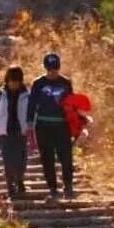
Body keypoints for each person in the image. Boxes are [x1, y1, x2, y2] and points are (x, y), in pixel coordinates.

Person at [27, 52, 74, 200]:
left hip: (62, 125)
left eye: (55, 68)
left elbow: (71, 104)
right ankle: (52, 188)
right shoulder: (38, 83)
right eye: (50, 69)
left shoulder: (66, 83)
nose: (53, 72)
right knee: (47, 158)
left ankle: (68, 185)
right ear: (45, 68)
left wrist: (75, 123)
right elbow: (32, 104)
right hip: (43, 125)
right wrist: (29, 124)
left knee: (65, 156)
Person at [0, 65, 30, 198]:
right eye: (11, 81)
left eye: (16, 81)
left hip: (21, 132)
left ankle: (20, 180)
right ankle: (10, 185)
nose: (14, 84)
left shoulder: (27, 95)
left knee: (21, 160)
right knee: (8, 161)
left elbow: (32, 113)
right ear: (7, 80)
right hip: (4, 133)